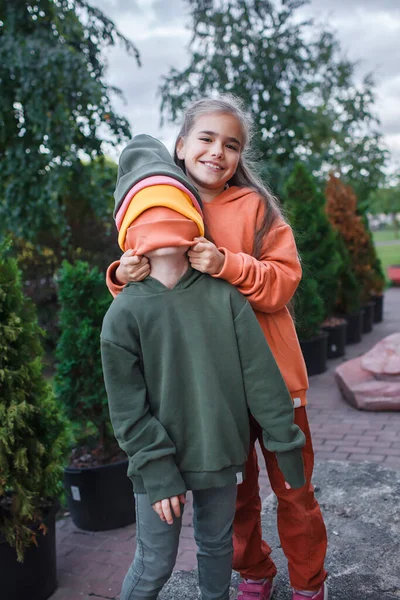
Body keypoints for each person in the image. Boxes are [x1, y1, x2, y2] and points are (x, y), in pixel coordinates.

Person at [105, 97, 328, 600]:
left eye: (232, 145)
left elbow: (282, 284)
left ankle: (309, 584)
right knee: (236, 497)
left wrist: (226, 262)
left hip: (276, 381)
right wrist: (120, 275)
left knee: (295, 492)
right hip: (216, 394)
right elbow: (148, 296)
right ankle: (253, 572)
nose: (217, 152)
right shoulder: (162, 202)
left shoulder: (255, 208)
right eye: (205, 138)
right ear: (180, 145)